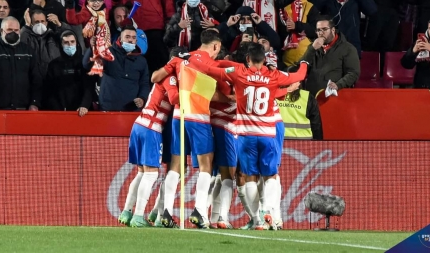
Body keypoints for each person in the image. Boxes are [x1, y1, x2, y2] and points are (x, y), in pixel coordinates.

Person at [188, 43, 308, 230]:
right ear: (265, 60)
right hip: (268, 133)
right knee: (270, 176)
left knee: (249, 177)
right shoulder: (273, 75)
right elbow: (299, 76)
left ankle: (260, 220)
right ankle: (269, 211)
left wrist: (191, 59)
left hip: (245, 135)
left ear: (247, 59)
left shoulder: (238, 73)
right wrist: (305, 63)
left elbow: (210, 69)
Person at [151, 29, 223, 229]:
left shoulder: (180, 59)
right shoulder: (211, 63)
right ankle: (200, 212)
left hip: (178, 116)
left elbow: (156, 77)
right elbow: (217, 93)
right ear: (215, 46)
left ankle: (165, 212)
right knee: (205, 164)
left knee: (176, 164)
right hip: (198, 116)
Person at [117, 46, 182, 228]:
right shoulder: (171, 78)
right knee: (151, 174)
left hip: (140, 124)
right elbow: (175, 98)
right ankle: (138, 216)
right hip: (151, 128)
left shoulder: (162, 76)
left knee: (141, 173)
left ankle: (127, 212)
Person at [83, 25, 150, 111]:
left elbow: (144, 83)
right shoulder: (108, 53)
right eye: (127, 37)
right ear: (120, 39)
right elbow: (87, 65)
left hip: (131, 111)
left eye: (133, 38)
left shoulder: (142, 61)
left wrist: (142, 98)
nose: (130, 40)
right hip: (108, 109)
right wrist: (91, 49)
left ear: (136, 41)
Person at [401, 16, 430, 140]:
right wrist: (413, 51)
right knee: (421, 121)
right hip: (422, 87)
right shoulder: (420, 40)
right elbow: (406, 64)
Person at [296, 16, 360, 96]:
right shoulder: (313, 47)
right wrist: (312, 49)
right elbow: (300, 67)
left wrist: (338, 85)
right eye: (318, 30)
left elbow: (353, 73)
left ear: (333, 30)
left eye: (324, 29)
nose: (321, 33)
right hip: (311, 97)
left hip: (333, 96)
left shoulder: (347, 48)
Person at [43, 30, 93, 115]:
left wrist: (84, 105)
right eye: (66, 42)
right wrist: (57, 110)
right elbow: (50, 90)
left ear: (77, 43)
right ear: (61, 45)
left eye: (72, 42)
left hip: (83, 111)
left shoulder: (85, 62)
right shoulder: (53, 65)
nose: (70, 45)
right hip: (60, 113)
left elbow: (89, 87)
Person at [0, 16, 42, 110]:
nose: (13, 33)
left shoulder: (28, 51)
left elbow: (36, 79)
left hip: (22, 108)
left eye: (16, 30)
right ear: (1, 31)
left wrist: (35, 102)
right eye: (9, 29)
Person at [21, 9, 67, 80]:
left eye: (42, 21)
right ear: (31, 24)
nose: (40, 24)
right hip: (34, 80)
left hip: (54, 79)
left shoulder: (53, 35)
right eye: (36, 22)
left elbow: (68, 37)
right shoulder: (27, 36)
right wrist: (26, 26)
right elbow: (20, 43)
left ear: (46, 23)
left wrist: (59, 25)